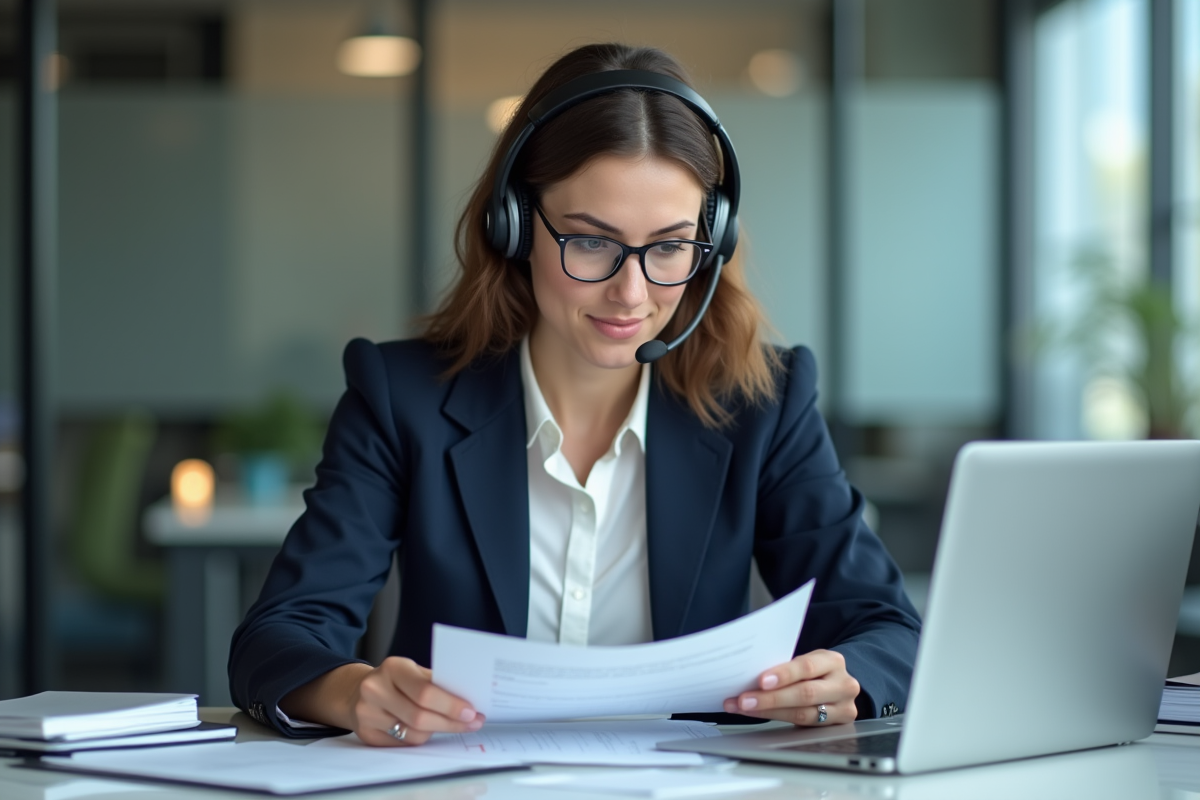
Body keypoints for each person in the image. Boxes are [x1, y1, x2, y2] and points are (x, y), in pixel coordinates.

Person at [229, 42, 921, 748]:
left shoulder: (763, 403)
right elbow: (278, 638)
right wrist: (353, 692)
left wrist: (847, 681)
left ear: (709, 243)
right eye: (591, 243)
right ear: (514, 225)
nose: (632, 292)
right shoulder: (400, 396)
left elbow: (887, 629)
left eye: (669, 247)